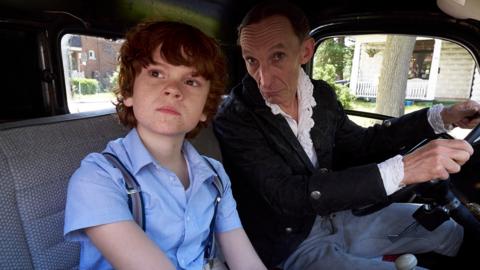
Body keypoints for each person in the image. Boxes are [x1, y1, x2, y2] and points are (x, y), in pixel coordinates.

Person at [213, 1, 480, 269]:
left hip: (340, 217)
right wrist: (401, 170)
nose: (264, 80)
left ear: (306, 51)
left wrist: (440, 118)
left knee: (446, 228)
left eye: (277, 56)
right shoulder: (236, 117)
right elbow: (287, 194)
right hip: (290, 244)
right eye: (251, 60)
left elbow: (362, 144)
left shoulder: (320, 96)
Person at [64, 21, 266, 270]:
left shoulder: (214, 176)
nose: (172, 89)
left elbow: (245, 260)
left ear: (205, 108)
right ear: (129, 92)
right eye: (156, 73)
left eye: (191, 82)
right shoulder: (98, 178)